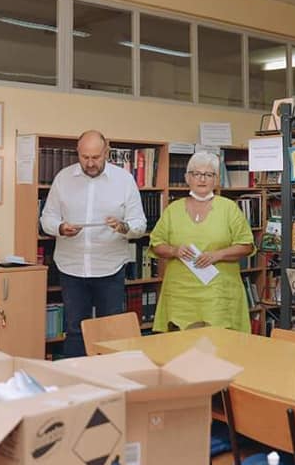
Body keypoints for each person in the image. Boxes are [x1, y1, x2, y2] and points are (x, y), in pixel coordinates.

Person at [40, 130, 147, 357]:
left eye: (96, 157)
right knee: (75, 331)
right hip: (71, 268)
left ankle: (111, 376)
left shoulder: (124, 180)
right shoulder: (63, 179)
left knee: (112, 332)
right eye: (85, 157)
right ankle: (77, 377)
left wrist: (123, 227)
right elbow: (47, 219)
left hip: (110, 269)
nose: (90, 163)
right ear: (77, 153)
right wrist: (60, 228)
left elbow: (140, 224)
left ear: (106, 152)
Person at [149, 151, 254, 332]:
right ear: (187, 178)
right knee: (180, 346)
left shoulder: (229, 208)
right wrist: (174, 251)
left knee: (219, 345)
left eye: (209, 174)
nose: (202, 179)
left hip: (219, 294)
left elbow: (247, 246)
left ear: (216, 179)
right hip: (180, 295)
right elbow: (156, 244)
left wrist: (218, 255)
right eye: (196, 174)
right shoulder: (173, 210)